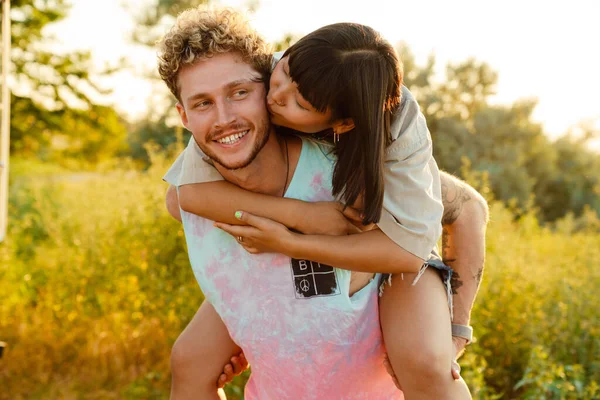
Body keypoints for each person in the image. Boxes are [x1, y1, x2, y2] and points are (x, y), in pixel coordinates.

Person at [160, 6, 488, 399]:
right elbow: (187, 195)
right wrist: (253, 322)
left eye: (241, 93)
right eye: (202, 103)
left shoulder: (376, 162)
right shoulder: (273, 82)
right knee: (190, 358)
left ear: (340, 121)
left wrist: (457, 329)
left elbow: (460, 212)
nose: (275, 101)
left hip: (395, 267)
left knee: (427, 362)